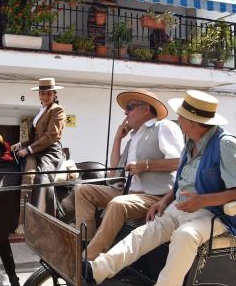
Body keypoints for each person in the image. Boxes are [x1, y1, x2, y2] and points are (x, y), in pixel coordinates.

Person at [87, 90, 236, 286]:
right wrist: (163, 201)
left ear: (195, 122)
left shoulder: (226, 144)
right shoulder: (191, 142)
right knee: (143, 233)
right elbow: (179, 184)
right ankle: (96, 270)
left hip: (214, 213)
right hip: (180, 206)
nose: (178, 121)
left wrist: (201, 201)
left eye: (182, 117)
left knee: (185, 236)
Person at [75, 89, 184, 260]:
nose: (126, 112)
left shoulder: (163, 127)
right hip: (127, 192)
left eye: (130, 107)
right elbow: (113, 173)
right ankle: (86, 243)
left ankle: (90, 258)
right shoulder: (134, 137)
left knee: (119, 204)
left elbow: (179, 162)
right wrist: (118, 139)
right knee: (83, 190)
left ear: (146, 109)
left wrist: (145, 166)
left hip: (154, 196)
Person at [12, 78, 66, 220]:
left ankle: (42, 214)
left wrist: (28, 150)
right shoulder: (42, 110)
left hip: (50, 151)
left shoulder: (57, 110)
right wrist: (21, 144)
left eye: (48, 94)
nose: (45, 97)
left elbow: (50, 136)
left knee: (40, 177)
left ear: (54, 94)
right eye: (42, 94)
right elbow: (35, 136)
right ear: (39, 95)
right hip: (38, 149)